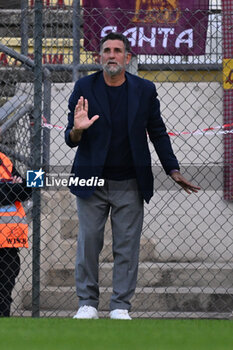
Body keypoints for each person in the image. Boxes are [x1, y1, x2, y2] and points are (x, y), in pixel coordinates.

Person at [65, 32, 200, 320]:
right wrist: (78, 129)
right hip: (92, 180)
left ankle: (120, 306)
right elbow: (70, 138)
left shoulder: (145, 90)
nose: (111, 55)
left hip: (130, 181)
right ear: (99, 56)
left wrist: (173, 170)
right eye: (106, 50)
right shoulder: (84, 86)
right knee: (88, 242)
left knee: (127, 246)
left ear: (127, 58)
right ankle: (87, 303)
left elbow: (158, 132)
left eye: (117, 51)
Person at [0, 151, 31, 317]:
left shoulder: (4, 160)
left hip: (8, 242)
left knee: (4, 294)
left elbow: (29, 189)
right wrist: (13, 187)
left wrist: (11, 188)